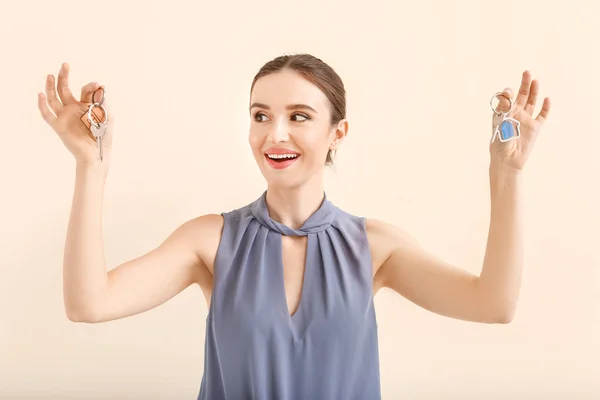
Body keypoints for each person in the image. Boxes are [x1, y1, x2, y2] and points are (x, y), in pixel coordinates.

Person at [37, 53, 551, 399]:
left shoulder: (374, 247)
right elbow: (89, 304)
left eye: (299, 116)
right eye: (261, 115)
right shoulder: (210, 241)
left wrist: (505, 175)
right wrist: (91, 166)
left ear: (337, 133)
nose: (274, 133)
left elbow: (494, 304)